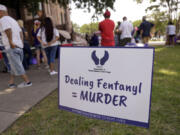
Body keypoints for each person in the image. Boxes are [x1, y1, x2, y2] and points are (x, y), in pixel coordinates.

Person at [0, 4, 32, 88]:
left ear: (1, 12)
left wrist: (11, 42)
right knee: (14, 65)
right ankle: (11, 83)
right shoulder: (13, 20)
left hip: (11, 46)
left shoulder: (3, 20)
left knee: (17, 65)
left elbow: (8, 30)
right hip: (18, 46)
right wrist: (20, 43)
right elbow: (20, 32)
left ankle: (28, 82)